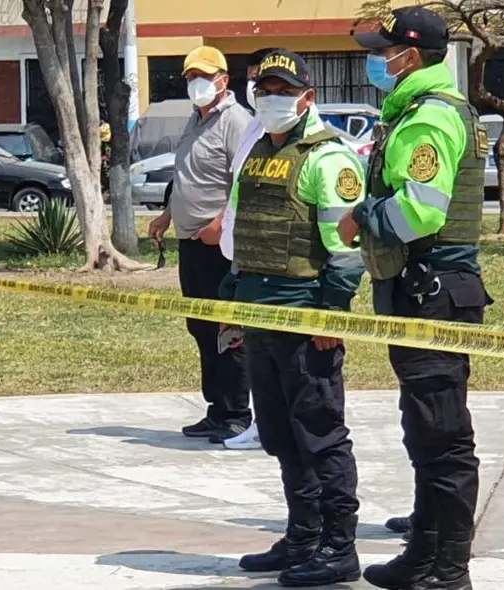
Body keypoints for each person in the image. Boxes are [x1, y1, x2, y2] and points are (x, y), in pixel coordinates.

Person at [340, 8, 491, 589]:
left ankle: (450, 569)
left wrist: (363, 217)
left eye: (383, 50)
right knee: (423, 426)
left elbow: (420, 211)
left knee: (444, 432)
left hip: (433, 289)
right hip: (421, 288)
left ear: (411, 55)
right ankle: (423, 554)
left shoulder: (428, 119)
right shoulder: (415, 109)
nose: (375, 59)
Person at [222, 50, 366, 587]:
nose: (270, 98)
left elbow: (347, 250)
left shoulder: (330, 159)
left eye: (283, 89)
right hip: (259, 315)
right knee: (280, 434)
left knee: (320, 433)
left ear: (307, 96)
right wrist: (231, 302)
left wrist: (331, 316)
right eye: (263, 88)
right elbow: (246, 232)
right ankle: (302, 535)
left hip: (305, 317)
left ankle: (338, 545)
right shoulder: (257, 150)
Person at [146, 46, 254, 443]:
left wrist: (221, 223)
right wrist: (167, 214)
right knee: (201, 327)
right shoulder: (195, 120)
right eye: (190, 76)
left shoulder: (237, 122)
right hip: (190, 243)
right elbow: (187, 177)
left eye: (203, 76)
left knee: (228, 329)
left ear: (224, 80)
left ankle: (238, 412)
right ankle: (217, 407)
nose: (196, 83)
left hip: (219, 246)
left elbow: (244, 183)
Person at [217, 46, 280, 451]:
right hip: (245, 258)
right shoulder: (256, 130)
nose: (259, 91)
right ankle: (262, 421)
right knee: (255, 349)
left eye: (269, 84)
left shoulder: (282, 135)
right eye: (257, 83)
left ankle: (270, 422)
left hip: (278, 263)